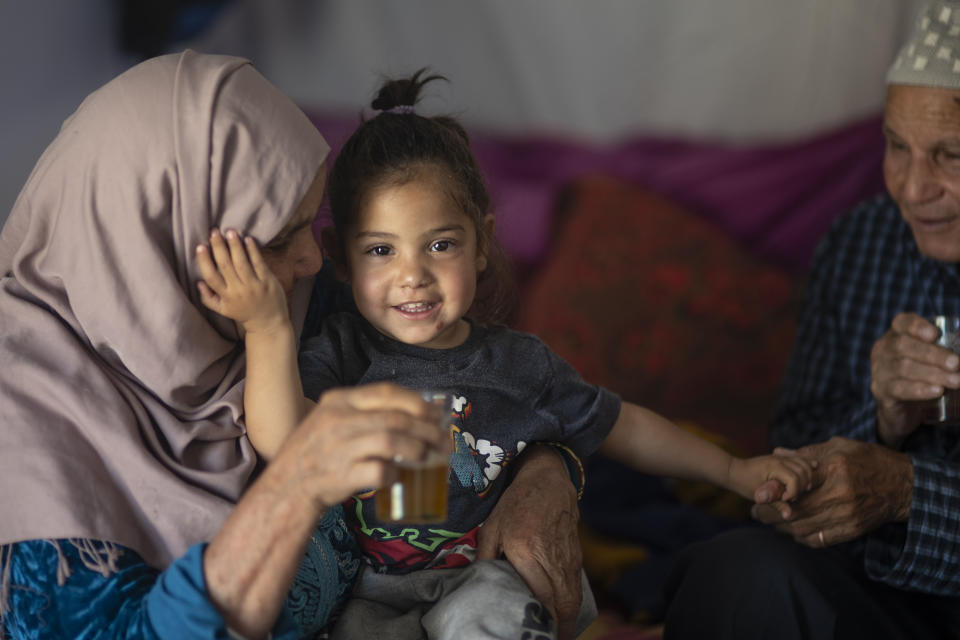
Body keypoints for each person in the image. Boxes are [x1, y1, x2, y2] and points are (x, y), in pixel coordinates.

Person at [196, 70, 816, 640]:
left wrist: (733, 473)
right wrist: (267, 327)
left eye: (440, 244)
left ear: (483, 245)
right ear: (337, 254)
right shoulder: (340, 353)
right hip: (369, 593)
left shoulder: (520, 365)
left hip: (483, 579)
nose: (413, 276)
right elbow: (284, 441)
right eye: (381, 251)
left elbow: (623, 425)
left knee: (487, 615)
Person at [0, 50, 584, 640]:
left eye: (310, 223)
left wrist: (544, 468)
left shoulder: (304, 299)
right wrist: (292, 490)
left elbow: (475, 389)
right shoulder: (25, 436)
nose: (313, 259)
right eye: (280, 239)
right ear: (161, 248)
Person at [663, 2, 960, 638]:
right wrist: (886, 422)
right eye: (896, 146)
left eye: (950, 155)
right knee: (735, 571)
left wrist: (909, 490)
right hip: (886, 598)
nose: (912, 188)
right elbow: (794, 451)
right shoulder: (863, 241)